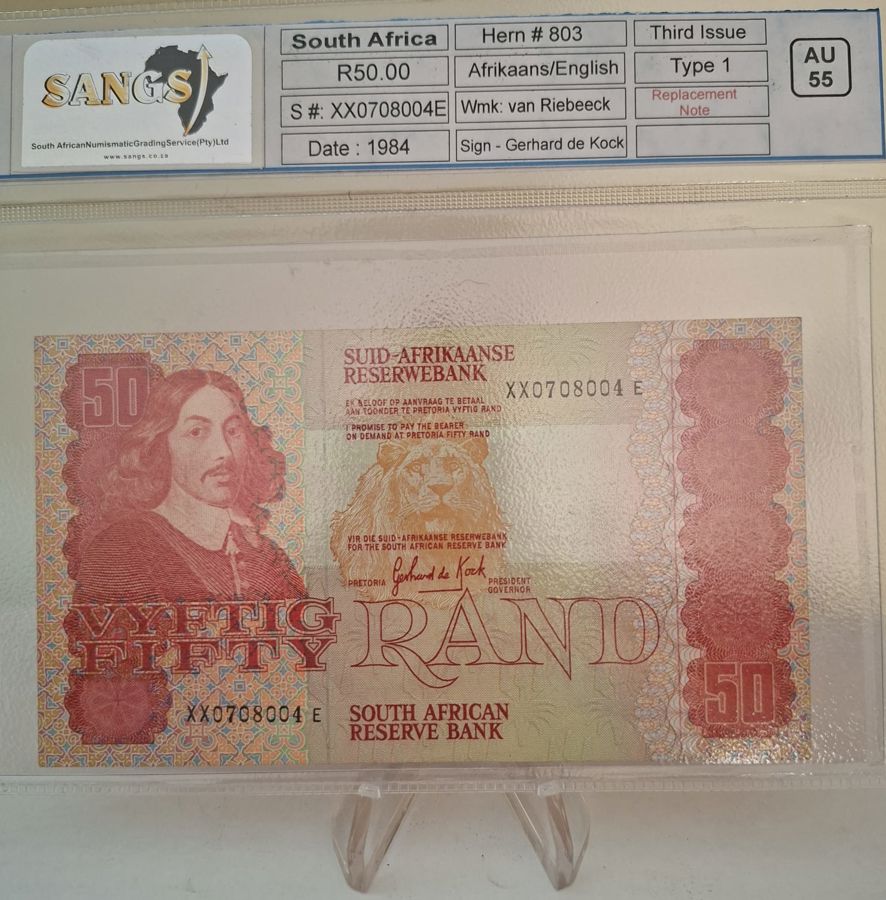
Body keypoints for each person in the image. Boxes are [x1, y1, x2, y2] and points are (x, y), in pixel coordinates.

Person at [73, 368, 305, 605]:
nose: (224, 452)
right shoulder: (121, 550)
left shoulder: (268, 557)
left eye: (233, 431)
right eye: (197, 432)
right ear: (161, 444)